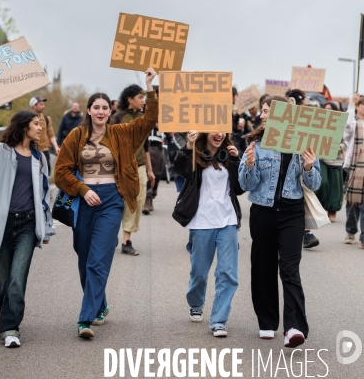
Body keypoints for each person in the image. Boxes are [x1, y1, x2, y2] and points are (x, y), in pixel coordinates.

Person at [54, 68, 158, 338]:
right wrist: (82, 189)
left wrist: (149, 86)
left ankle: (85, 319)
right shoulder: (75, 136)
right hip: (84, 201)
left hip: (111, 200)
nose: (100, 111)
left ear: (109, 111)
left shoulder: (122, 133)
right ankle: (100, 304)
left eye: (104, 107)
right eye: (95, 107)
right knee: (84, 257)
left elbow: (150, 120)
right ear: (88, 111)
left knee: (98, 260)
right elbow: (61, 172)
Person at [0, 99, 55, 347]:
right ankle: (7, 311)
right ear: (23, 126)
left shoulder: (40, 159)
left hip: (27, 223)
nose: (40, 127)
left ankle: (10, 328)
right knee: (1, 279)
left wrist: (46, 227)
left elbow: (44, 195)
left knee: (17, 278)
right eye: (36, 124)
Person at [239, 95, 321, 348]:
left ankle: (294, 327)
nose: (263, 115)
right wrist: (250, 165)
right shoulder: (256, 144)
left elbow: (315, 184)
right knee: (262, 266)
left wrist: (308, 167)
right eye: (263, 111)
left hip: (292, 213)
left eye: (268, 111)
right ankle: (267, 321)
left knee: (289, 268)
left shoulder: (304, 144)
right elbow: (245, 185)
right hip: (262, 211)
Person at [173, 130, 243, 337]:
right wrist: (188, 147)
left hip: (228, 221)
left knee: (228, 273)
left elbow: (240, 189)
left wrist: (237, 160)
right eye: (215, 130)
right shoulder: (194, 153)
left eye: (223, 130)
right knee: (199, 273)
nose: (219, 134)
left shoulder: (228, 156)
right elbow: (179, 169)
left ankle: (219, 321)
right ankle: (196, 302)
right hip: (201, 222)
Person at [111, 83, 156, 254]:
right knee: (117, 202)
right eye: (140, 97)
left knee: (136, 202)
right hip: (120, 168)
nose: (143, 101)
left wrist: (150, 170)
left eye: (144, 97)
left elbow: (146, 147)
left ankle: (126, 242)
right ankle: (111, 233)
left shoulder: (143, 119)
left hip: (140, 167)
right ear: (130, 99)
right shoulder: (117, 117)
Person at [286, 88, 320, 249]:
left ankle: (305, 232)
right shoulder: (281, 124)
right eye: (303, 104)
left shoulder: (310, 127)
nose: (306, 107)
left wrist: (309, 166)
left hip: (302, 168)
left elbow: (315, 181)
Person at [315, 102, 345, 222]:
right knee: (322, 183)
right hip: (322, 158)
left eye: (330, 108)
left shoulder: (340, 125)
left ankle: (332, 211)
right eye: (325, 108)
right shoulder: (318, 124)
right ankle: (319, 209)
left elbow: (346, 141)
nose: (328, 110)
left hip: (336, 160)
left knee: (334, 187)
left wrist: (341, 146)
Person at [343, 92, 364, 248]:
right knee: (353, 202)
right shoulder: (353, 122)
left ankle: (363, 237)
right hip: (355, 167)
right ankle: (351, 232)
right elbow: (345, 130)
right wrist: (351, 104)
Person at [29, 96, 60, 175]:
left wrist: (56, 147)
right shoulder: (28, 119)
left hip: (45, 150)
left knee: (46, 173)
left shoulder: (47, 119)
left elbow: (51, 134)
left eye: (43, 104)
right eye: (41, 104)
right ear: (34, 106)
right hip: (32, 150)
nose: (43, 106)